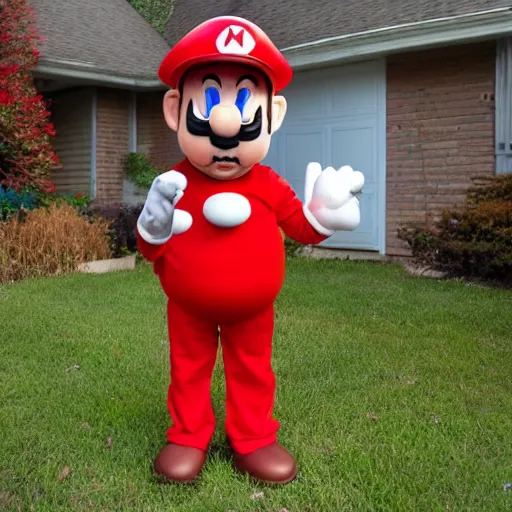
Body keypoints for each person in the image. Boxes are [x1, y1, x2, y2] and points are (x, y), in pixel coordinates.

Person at [136, 15, 364, 485]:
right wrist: (153, 228)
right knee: (189, 368)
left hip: (253, 309)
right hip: (188, 307)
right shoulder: (174, 183)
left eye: (244, 105)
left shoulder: (267, 184)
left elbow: (299, 226)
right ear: (175, 110)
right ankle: (188, 435)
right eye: (207, 107)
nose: (226, 126)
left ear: (273, 115)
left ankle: (254, 439)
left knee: (252, 369)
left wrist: (322, 213)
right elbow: (150, 248)